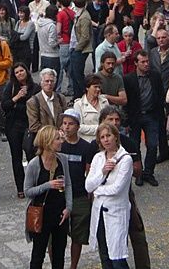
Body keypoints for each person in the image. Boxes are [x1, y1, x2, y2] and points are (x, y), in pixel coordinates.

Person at [85, 122, 133, 269]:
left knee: (117, 257)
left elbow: (117, 188)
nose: (106, 140)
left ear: (115, 137)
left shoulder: (125, 159)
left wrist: (97, 191)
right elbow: (88, 185)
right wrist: (103, 172)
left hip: (116, 212)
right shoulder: (98, 157)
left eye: (108, 136)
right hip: (99, 211)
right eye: (102, 137)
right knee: (104, 254)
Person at [24, 125, 72, 269]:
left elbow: (68, 184)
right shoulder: (34, 164)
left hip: (60, 213)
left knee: (59, 255)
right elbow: (27, 191)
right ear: (47, 142)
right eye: (57, 139)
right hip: (41, 214)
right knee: (38, 255)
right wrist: (48, 185)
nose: (61, 141)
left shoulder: (62, 159)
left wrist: (69, 208)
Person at [122, 50, 165, 186]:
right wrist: (126, 120)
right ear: (136, 63)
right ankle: (139, 173)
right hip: (135, 117)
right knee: (135, 146)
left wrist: (160, 114)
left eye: (147, 61)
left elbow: (160, 94)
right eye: (143, 62)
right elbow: (126, 102)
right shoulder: (129, 79)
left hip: (151, 115)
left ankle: (149, 173)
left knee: (152, 145)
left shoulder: (155, 76)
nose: (146, 64)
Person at [59, 110, 96, 269]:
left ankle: (73, 266)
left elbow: (89, 172)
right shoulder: (58, 145)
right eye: (64, 123)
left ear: (78, 126)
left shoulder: (86, 147)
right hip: (59, 196)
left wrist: (90, 195)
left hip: (79, 195)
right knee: (55, 237)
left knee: (78, 236)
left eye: (71, 124)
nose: (67, 127)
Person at [1, 62, 38, 197]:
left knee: (31, 153)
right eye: (16, 72)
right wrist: (16, 97)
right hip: (13, 125)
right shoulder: (10, 87)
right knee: (16, 157)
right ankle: (20, 187)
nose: (19, 74)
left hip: (29, 124)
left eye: (21, 71)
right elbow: (4, 105)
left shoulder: (35, 87)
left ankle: (32, 183)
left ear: (26, 71)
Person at [26, 68, 69, 159]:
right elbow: (34, 126)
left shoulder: (61, 98)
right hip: (43, 145)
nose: (49, 83)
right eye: (46, 81)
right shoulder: (33, 102)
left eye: (52, 81)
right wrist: (54, 134)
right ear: (41, 83)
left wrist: (63, 130)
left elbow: (66, 119)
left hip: (61, 143)